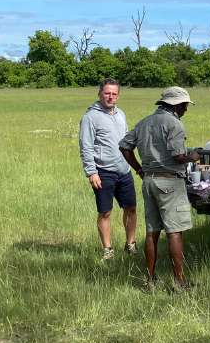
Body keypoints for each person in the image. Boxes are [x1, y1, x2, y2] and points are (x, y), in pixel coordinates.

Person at [119, 86, 200, 292]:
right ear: (176, 105)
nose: (186, 109)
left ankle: (150, 281)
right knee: (174, 231)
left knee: (152, 231)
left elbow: (124, 146)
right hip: (170, 182)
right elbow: (178, 157)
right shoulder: (174, 124)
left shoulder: (145, 122)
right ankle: (179, 282)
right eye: (184, 105)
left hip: (149, 181)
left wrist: (139, 169)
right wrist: (193, 156)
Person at [78, 78, 138, 260]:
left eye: (114, 93)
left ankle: (130, 244)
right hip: (103, 172)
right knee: (105, 212)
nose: (110, 97)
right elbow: (85, 146)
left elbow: (126, 140)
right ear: (99, 94)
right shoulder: (90, 117)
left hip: (124, 170)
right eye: (107, 93)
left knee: (131, 208)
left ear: (118, 95)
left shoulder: (121, 114)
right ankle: (108, 250)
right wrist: (92, 172)